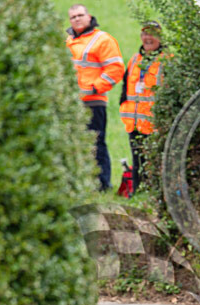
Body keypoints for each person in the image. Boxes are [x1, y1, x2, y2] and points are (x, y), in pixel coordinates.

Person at [66, 4, 125, 191]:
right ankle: (81, 184)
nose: (77, 19)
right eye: (73, 16)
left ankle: (102, 184)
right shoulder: (68, 42)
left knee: (96, 143)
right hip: (71, 103)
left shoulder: (102, 39)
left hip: (93, 101)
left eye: (80, 15)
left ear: (89, 16)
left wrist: (94, 88)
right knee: (75, 145)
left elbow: (115, 69)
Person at [119, 21, 168, 193]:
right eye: (145, 34)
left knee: (155, 160)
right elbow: (125, 88)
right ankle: (137, 191)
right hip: (134, 121)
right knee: (137, 158)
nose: (148, 38)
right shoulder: (134, 59)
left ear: (160, 37)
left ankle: (155, 193)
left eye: (152, 34)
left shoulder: (168, 61)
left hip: (155, 123)